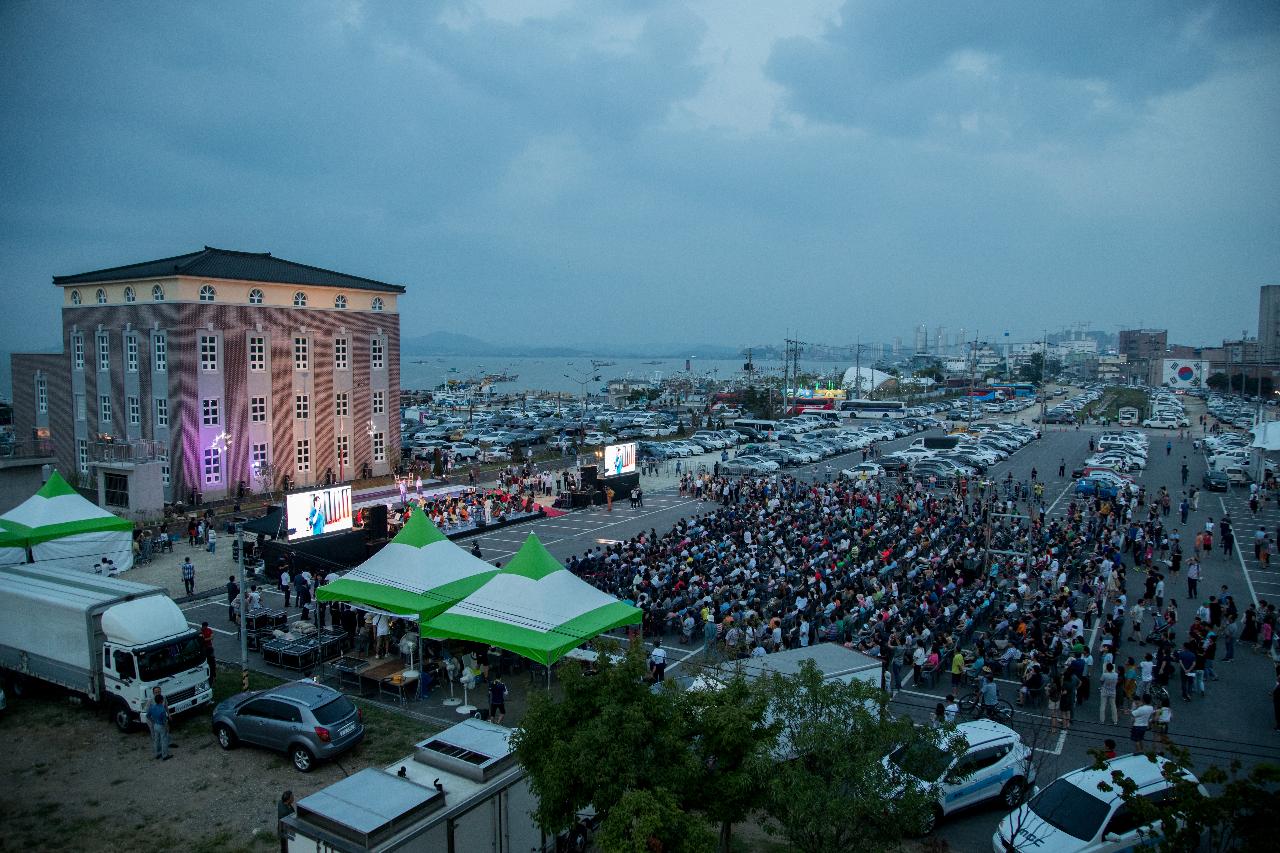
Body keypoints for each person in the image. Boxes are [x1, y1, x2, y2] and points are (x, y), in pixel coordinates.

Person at [146, 689, 171, 760]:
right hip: (161, 726)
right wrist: (167, 727)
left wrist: (152, 721)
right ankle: (165, 755)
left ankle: (157, 753)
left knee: (156, 739)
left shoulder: (152, 707)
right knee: (164, 740)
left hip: (155, 725)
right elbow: (164, 721)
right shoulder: (162, 709)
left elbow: (147, 716)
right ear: (162, 701)